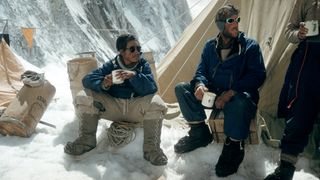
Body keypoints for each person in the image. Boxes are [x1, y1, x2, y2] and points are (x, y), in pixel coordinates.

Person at [174, 4, 266, 177]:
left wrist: (231, 92)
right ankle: (199, 133)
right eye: (231, 20)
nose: (236, 24)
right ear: (221, 24)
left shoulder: (250, 46)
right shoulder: (210, 46)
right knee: (182, 89)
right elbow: (201, 71)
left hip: (238, 95)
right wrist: (200, 85)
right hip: (214, 94)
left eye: (237, 20)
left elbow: (258, 76)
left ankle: (234, 145)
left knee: (240, 102)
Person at [64, 34, 168, 166]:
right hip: (113, 107)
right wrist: (104, 83)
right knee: (84, 96)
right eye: (132, 49)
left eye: (138, 48)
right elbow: (87, 80)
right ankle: (86, 141)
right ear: (121, 52)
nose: (137, 52)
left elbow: (151, 88)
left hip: (135, 108)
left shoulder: (143, 66)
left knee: (157, 102)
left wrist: (134, 76)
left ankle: (152, 151)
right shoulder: (111, 65)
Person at [265, 0, 320, 179]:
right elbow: (289, 31)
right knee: (299, 111)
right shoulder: (305, 1)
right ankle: (286, 168)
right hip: (308, 58)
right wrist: (300, 34)